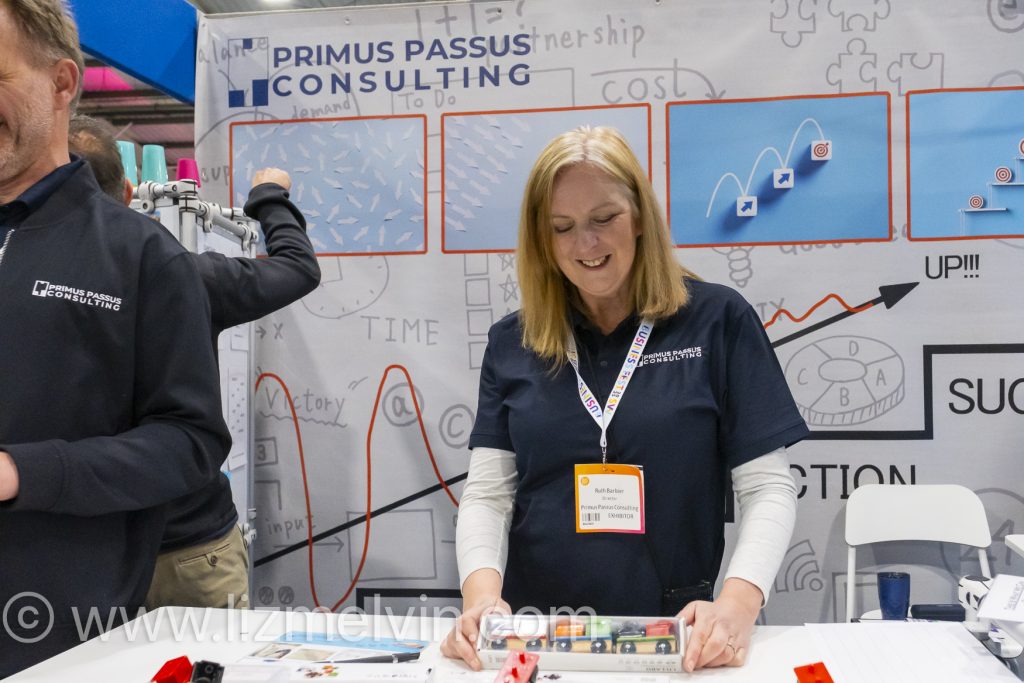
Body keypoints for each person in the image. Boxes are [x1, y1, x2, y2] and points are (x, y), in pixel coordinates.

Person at [441, 126, 808, 672]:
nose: (585, 245)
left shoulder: (718, 321)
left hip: (673, 637)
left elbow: (768, 487)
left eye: (603, 218)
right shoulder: (513, 342)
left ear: (639, 217)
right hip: (537, 639)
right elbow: (489, 495)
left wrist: (736, 606)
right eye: (562, 227)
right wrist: (481, 601)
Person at [0, 0, 229, 676]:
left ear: (62, 82)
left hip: (56, 638)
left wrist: (24, 471)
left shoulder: (142, 257)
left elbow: (190, 442)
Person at [67, 114, 322, 610]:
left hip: (74, 548)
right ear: (129, 193)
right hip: (188, 547)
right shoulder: (183, 276)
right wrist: (269, 197)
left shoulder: (22, 281)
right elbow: (297, 267)